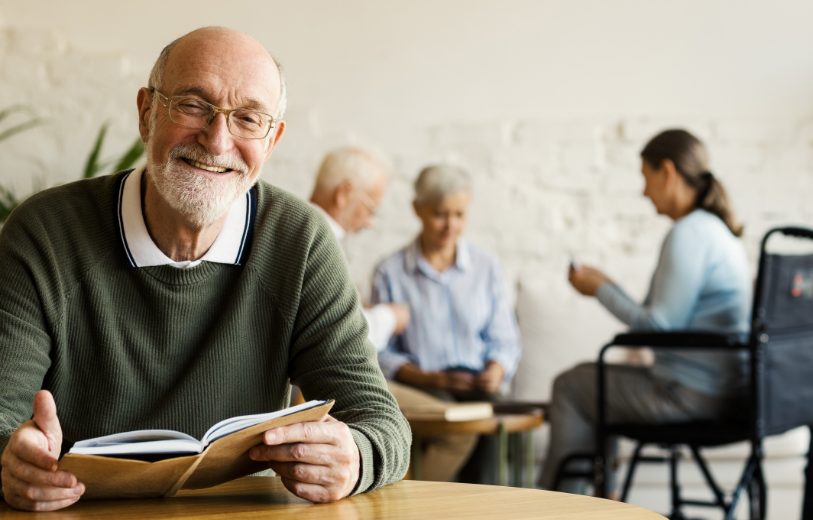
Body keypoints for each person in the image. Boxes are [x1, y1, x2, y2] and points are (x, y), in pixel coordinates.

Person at [0, 27, 410, 512]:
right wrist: (8, 462)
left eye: (248, 119)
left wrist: (355, 456)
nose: (217, 140)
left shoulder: (300, 240)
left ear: (272, 141)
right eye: (192, 105)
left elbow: (382, 423)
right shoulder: (45, 232)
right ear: (146, 113)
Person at [539, 129, 752, 493]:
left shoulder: (689, 233)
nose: (643, 191)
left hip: (689, 395)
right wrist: (608, 285)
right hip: (725, 392)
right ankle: (600, 506)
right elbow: (662, 317)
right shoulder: (715, 231)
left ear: (667, 172)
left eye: (645, 177)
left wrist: (599, 291)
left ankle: (554, 511)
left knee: (571, 386)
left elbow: (658, 325)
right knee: (593, 386)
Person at [371, 165, 522, 483]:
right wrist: (433, 378)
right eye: (440, 214)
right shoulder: (390, 272)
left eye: (459, 214)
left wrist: (496, 369)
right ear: (418, 209)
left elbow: (504, 340)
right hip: (424, 387)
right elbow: (379, 353)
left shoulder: (487, 267)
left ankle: (486, 504)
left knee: (495, 420)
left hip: (477, 384)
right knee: (457, 422)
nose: (450, 225)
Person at [307, 147, 411, 350]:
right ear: (344, 194)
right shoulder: (320, 245)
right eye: (371, 209)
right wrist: (390, 317)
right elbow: (345, 335)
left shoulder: (294, 229)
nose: (370, 222)